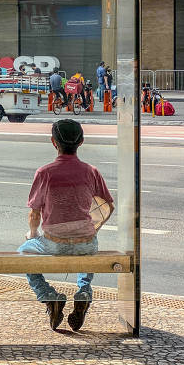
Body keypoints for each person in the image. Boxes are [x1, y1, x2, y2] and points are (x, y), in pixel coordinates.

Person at [18, 119, 114, 332]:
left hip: (55, 244)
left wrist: (33, 235)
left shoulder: (45, 173)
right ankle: (84, 292)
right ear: (81, 142)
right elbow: (108, 206)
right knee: (88, 248)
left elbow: (34, 213)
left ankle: (48, 295)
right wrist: (93, 228)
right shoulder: (91, 171)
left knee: (22, 254)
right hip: (86, 242)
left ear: (53, 142)